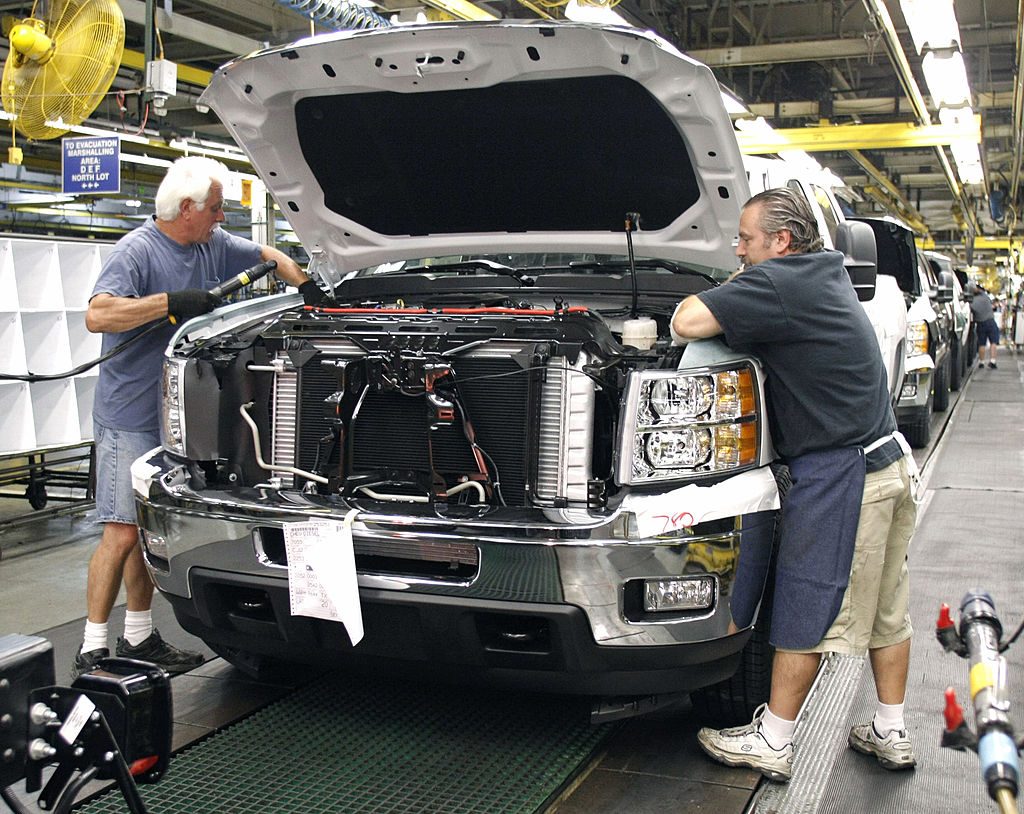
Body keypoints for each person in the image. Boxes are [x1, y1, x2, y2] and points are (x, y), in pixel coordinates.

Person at [671, 188, 917, 783]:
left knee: (808, 604)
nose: (738, 248)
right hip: (885, 461)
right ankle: (891, 728)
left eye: (746, 240)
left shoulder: (783, 283)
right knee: (887, 610)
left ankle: (774, 740)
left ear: (781, 241)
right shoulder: (820, 274)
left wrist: (732, 286)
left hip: (844, 474)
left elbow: (685, 321)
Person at [76, 156, 326, 679]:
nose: (220, 218)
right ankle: (93, 647)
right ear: (185, 208)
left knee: (150, 530)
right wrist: (169, 302)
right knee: (121, 532)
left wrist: (308, 290)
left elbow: (269, 253)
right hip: (129, 414)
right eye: (214, 208)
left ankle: (140, 635)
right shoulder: (137, 250)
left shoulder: (210, 243)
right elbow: (98, 314)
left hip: (178, 417)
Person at [968, 283, 1000, 369]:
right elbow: (979, 290)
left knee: (982, 343)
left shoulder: (971, 303)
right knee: (993, 342)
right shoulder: (984, 296)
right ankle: (993, 361)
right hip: (990, 321)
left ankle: (981, 362)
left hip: (980, 323)